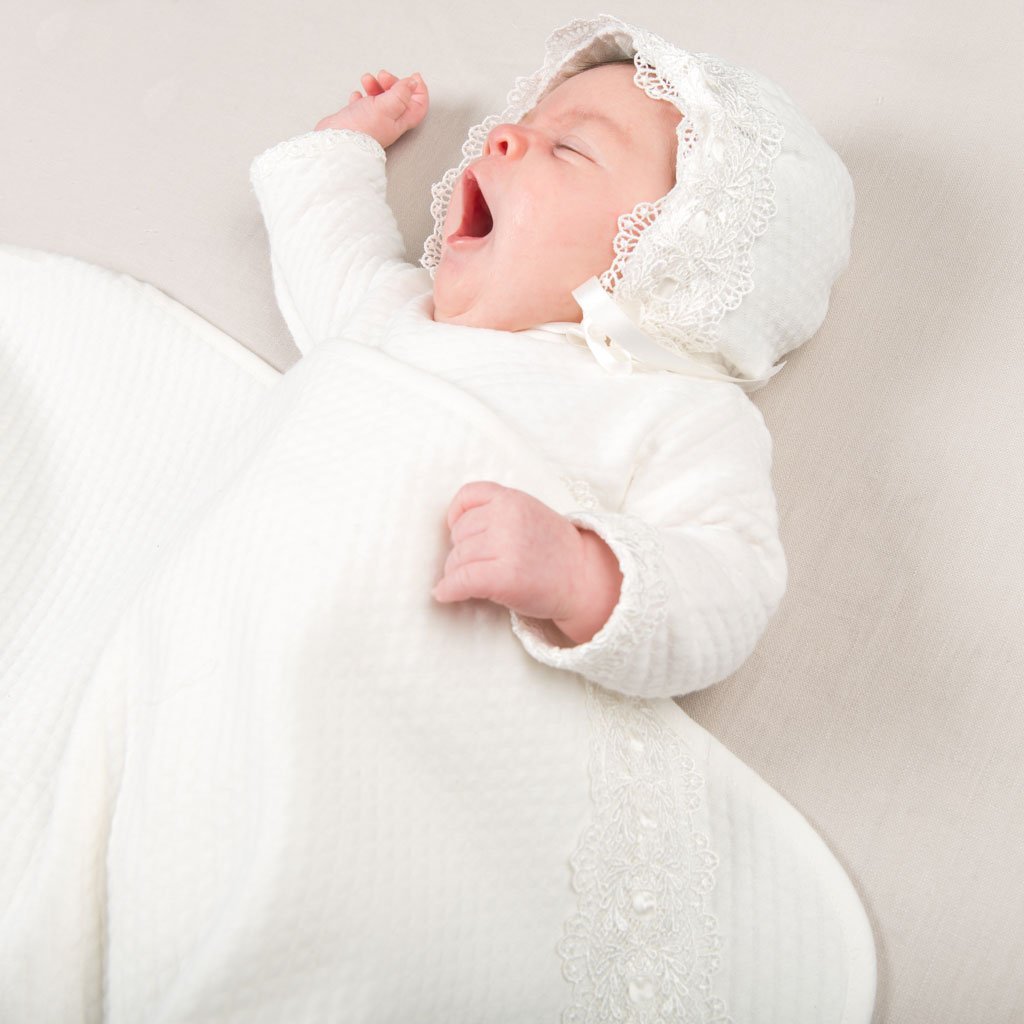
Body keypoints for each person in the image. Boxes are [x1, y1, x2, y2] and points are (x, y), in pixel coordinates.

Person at [249, 13, 855, 699]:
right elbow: (328, 250)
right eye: (526, 121)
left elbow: (730, 577)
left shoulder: (671, 408)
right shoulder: (400, 313)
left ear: (671, 260)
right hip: (242, 627)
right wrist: (341, 149)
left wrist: (583, 574)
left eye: (569, 149)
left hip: (407, 687)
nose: (506, 136)